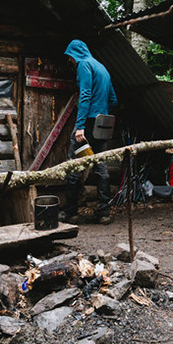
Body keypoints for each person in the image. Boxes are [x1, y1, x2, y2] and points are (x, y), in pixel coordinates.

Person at [61, 39, 117, 223]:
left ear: (75, 53)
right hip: (102, 123)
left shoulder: (84, 65)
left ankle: (71, 211)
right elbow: (113, 99)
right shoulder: (103, 68)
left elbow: (85, 94)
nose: (70, 61)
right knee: (101, 166)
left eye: (70, 57)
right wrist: (102, 111)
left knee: (74, 165)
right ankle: (104, 212)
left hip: (88, 125)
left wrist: (80, 126)